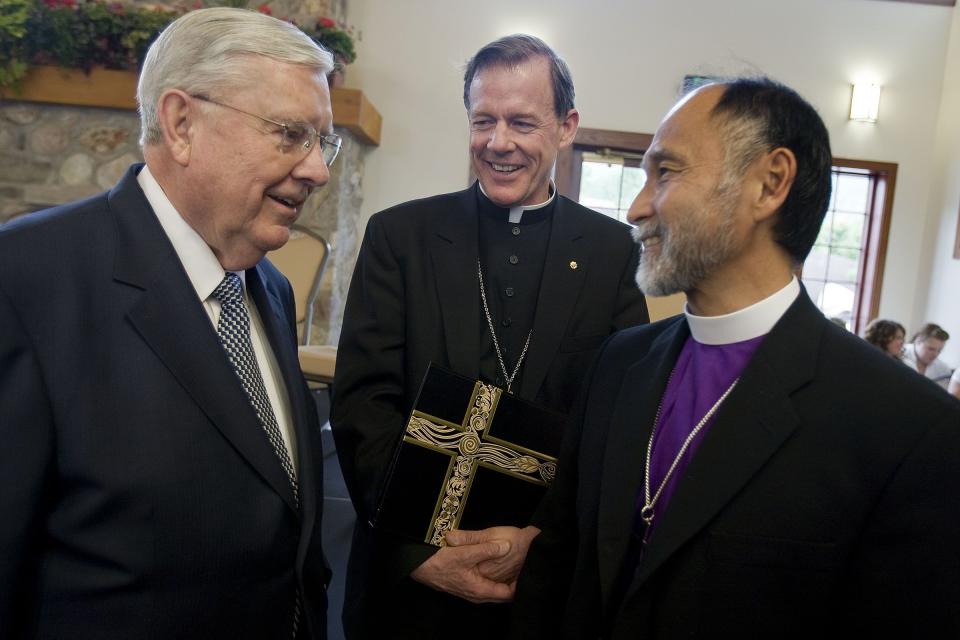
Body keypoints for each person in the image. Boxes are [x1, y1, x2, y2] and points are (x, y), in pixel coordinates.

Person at [512, 78, 960, 638]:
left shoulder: (907, 427)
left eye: (667, 172)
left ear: (769, 184)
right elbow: (561, 568)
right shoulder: (617, 365)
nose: (636, 206)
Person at [0, 8, 338, 639]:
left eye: (324, 141)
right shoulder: (27, 277)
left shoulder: (268, 286)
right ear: (182, 123)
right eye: (290, 134)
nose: (318, 169)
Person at [331, 34, 649, 639]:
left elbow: (617, 420)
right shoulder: (401, 236)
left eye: (522, 122)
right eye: (484, 121)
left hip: (539, 588)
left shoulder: (610, 254)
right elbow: (361, 404)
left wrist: (541, 540)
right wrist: (418, 553)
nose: (498, 143)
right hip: (409, 585)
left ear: (565, 126)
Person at [903, 322, 953, 388]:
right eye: (931, 349)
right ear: (918, 341)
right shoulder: (897, 355)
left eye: (939, 351)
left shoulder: (943, 370)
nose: (935, 354)